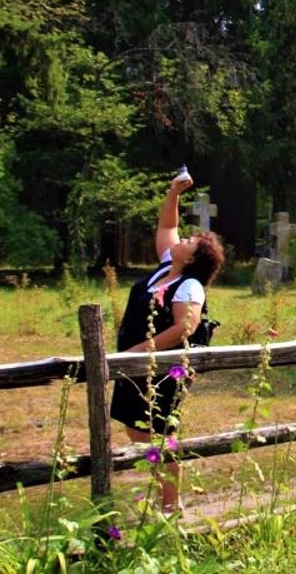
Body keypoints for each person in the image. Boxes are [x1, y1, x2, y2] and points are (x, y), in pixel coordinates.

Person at [109, 169, 224, 513]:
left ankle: (171, 507)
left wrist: (135, 353)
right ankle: (164, 497)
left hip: (160, 369)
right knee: (136, 427)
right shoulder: (165, 269)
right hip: (137, 363)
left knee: (157, 432)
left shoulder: (190, 286)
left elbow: (182, 329)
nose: (181, 239)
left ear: (192, 259)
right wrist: (174, 192)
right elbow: (165, 228)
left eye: (189, 241)